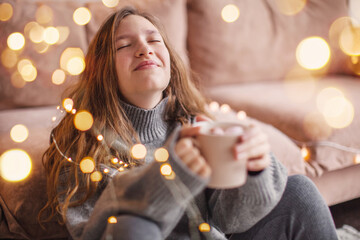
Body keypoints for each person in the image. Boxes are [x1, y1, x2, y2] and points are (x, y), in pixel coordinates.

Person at [39, 7, 339, 240]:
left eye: (154, 40)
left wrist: (254, 170)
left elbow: (228, 220)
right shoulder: (83, 147)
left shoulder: (194, 126)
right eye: (125, 45)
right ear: (103, 70)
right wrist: (168, 177)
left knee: (300, 190)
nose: (145, 49)